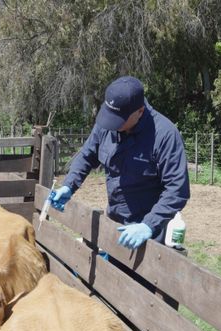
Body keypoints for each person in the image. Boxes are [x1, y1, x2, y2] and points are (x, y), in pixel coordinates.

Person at [49, 76, 190, 250]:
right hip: (116, 222)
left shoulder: (165, 135)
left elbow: (177, 189)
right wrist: (68, 186)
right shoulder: (108, 123)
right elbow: (87, 155)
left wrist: (149, 225)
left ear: (139, 111)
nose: (112, 125)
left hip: (149, 232)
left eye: (119, 120)